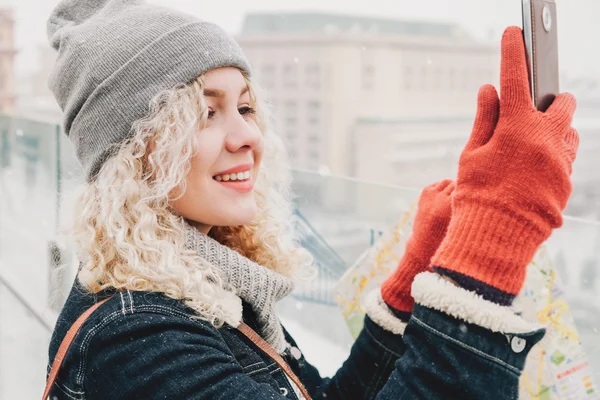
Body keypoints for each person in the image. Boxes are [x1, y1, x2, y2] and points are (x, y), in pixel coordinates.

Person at [45, 1, 579, 399]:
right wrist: (490, 242)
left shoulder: (192, 281)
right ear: (131, 153)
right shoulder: (134, 339)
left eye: (247, 108)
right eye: (206, 113)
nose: (246, 137)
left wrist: (411, 282)